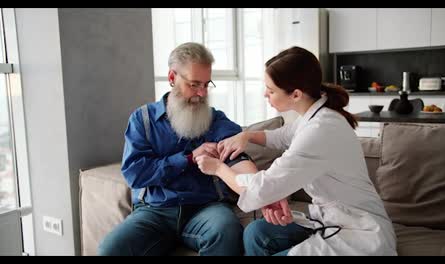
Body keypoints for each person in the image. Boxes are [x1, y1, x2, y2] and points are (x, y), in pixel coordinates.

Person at [195, 46, 397, 256]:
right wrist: (246, 135)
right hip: (331, 218)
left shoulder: (320, 130)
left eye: (271, 90)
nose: (265, 93)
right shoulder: (315, 116)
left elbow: (258, 190)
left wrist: (217, 168)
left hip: (359, 232)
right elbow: (282, 136)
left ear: (296, 94)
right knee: (257, 232)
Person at [98, 42, 259, 256]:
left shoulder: (217, 120)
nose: (201, 93)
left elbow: (238, 160)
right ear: (172, 78)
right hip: (154, 212)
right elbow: (135, 174)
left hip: (205, 208)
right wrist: (189, 158)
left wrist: (260, 185)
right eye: (194, 84)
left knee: (226, 230)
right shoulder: (142, 120)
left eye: (206, 84)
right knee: (110, 250)